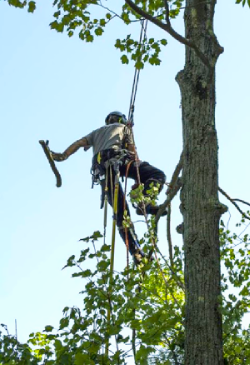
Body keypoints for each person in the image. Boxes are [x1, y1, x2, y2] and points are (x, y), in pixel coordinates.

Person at [51, 111, 166, 264]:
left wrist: (63, 155)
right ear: (121, 120)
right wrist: (139, 179)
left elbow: (79, 143)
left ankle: (136, 253)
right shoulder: (124, 128)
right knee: (157, 175)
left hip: (102, 169)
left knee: (121, 214)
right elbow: (132, 153)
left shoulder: (97, 132)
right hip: (118, 158)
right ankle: (144, 201)